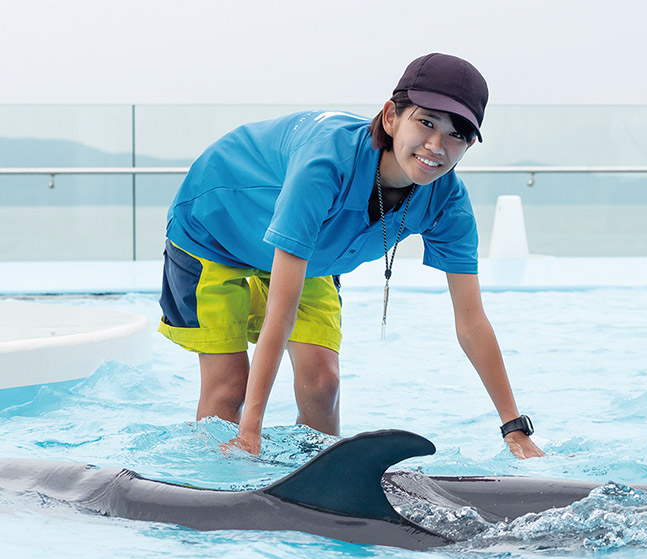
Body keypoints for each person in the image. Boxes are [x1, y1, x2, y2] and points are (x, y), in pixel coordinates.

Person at [158, 53, 544, 459]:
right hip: (212, 232)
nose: (437, 146)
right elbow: (282, 310)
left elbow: (472, 322)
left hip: (309, 256)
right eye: (426, 122)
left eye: (457, 135)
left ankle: (316, 486)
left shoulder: (447, 201)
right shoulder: (326, 165)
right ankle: (212, 488)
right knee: (229, 385)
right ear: (391, 116)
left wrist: (514, 430)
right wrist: (249, 432)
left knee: (322, 383)